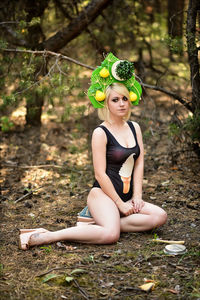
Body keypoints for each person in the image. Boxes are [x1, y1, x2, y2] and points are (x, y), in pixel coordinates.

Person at [19, 53, 167, 250]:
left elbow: (138, 162)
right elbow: (100, 173)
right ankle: (49, 235)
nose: (122, 103)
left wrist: (137, 196)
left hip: (127, 196)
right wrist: (118, 204)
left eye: (124, 98)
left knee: (160, 217)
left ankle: (99, 224)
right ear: (106, 103)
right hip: (103, 196)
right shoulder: (101, 132)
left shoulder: (135, 127)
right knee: (111, 235)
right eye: (115, 100)